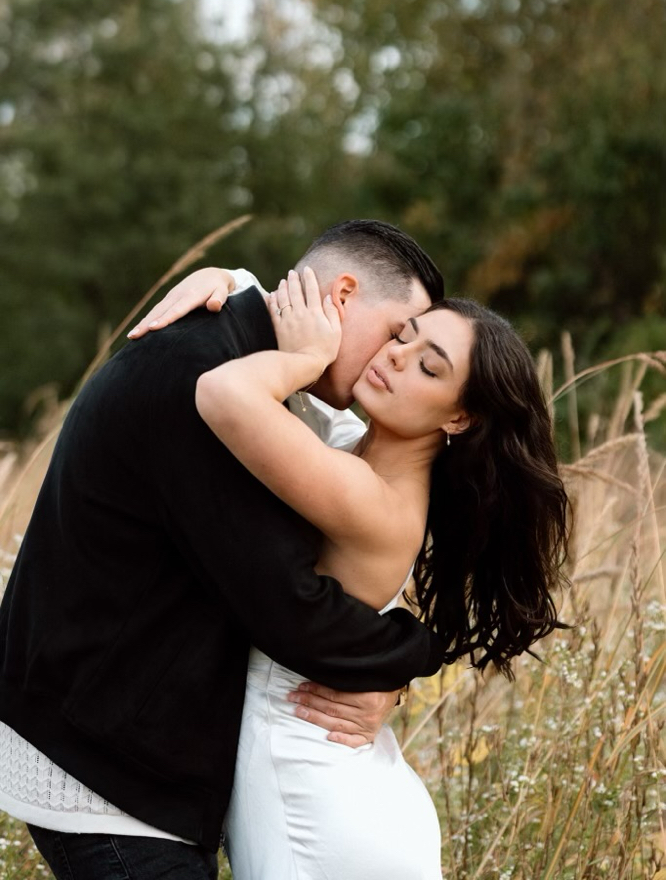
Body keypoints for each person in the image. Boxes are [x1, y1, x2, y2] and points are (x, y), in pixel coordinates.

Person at [0, 221, 449, 880]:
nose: (390, 364)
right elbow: (291, 608)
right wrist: (413, 655)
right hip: (105, 778)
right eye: (394, 336)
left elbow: (346, 450)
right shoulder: (201, 378)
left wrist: (239, 282)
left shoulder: (260, 364)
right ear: (343, 295)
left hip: (136, 759)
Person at [132, 262, 570, 879]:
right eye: (403, 336)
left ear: (459, 418)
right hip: (346, 776)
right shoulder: (347, 444)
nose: (396, 357)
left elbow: (224, 394)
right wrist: (230, 278)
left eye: (429, 365)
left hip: (311, 795)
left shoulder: (376, 500)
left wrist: (309, 356)